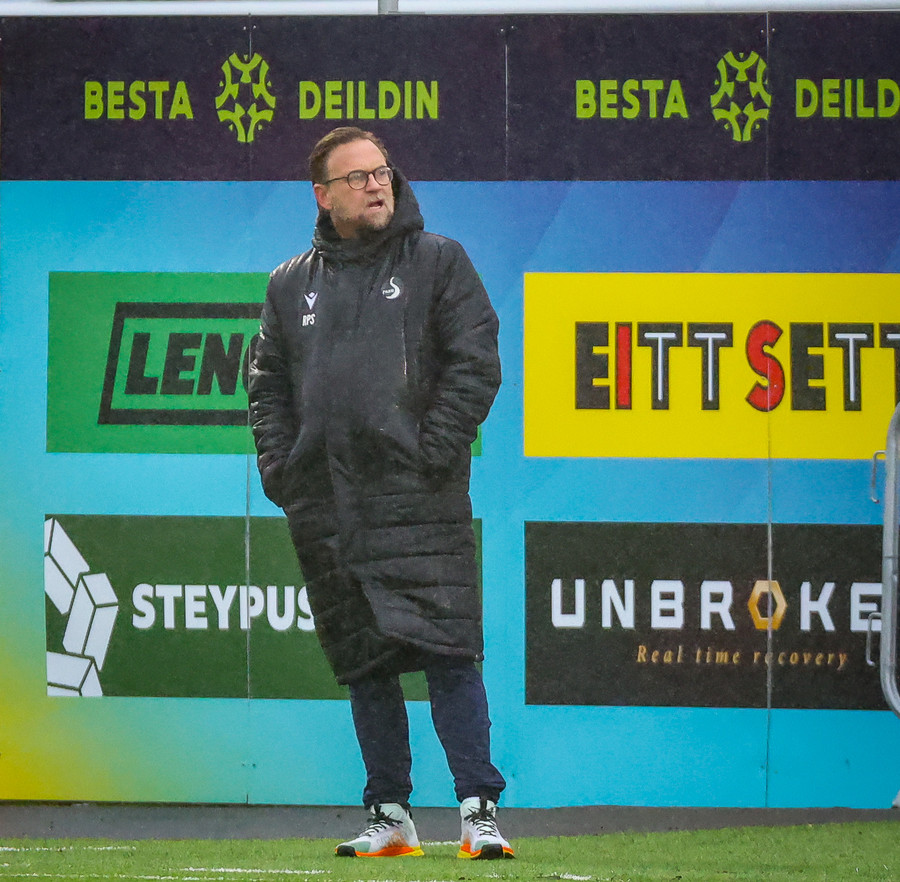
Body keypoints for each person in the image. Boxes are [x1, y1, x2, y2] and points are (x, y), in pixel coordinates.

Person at [248, 126, 513, 861]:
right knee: (365, 661)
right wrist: (284, 471)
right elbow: (267, 386)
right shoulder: (289, 283)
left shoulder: (438, 262)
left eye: (382, 173)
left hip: (419, 500)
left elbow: (475, 363)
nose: (375, 186)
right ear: (322, 195)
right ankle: (390, 816)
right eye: (357, 177)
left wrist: (429, 453)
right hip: (328, 506)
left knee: (449, 652)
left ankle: (479, 812)